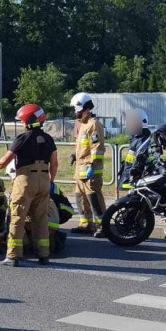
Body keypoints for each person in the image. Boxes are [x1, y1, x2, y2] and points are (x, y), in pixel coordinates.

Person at [0, 103, 58, 267]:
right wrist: (51, 181)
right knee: (41, 218)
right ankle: (43, 254)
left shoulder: (22, 138)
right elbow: (54, 164)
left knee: (17, 217)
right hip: (44, 180)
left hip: (25, 181)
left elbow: (4, 160)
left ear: (28, 120)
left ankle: (13, 256)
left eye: (21, 121)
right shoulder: (49, 139)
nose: (21, 123)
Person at [70, 92, 107, 237]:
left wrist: (92, 166)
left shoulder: (94, 124)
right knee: (81, 198)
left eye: (77, 109)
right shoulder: (83, 125)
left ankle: (103, 227)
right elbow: (83, 146)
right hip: (80, 170)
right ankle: (86, 224)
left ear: (84, 108)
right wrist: (74, 155)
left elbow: (97, 148)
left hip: (90, 170)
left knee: (94, 198)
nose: (75, 112)